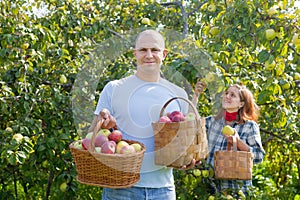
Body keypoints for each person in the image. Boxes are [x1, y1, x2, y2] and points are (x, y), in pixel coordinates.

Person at [88, 29, 196, 200]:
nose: (149, 55)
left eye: (155, 50)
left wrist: (187, 159)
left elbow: (184, 142)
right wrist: (107, 128)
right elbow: (91, 137)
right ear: (135, 54)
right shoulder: (114, 88)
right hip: (120, 190)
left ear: (164, 54)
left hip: (163, 190)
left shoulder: (178, 94)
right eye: (143, 50)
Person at [193, 80, 265, 194]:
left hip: (236, 191)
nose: (227, 96)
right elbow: (190, 125)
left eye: (232, 95)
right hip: (211, 188)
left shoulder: (249, 126)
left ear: (241, 104)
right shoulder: (212, 122)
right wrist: (195, 96)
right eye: (226, 93)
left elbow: (259, 156)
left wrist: (238, 142)